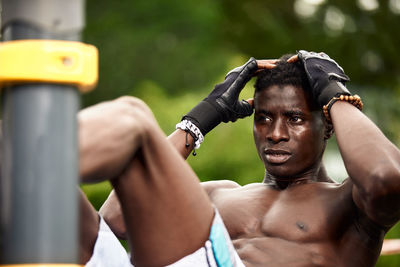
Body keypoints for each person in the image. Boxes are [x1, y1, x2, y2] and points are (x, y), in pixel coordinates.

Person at [98, 50, 400, 266]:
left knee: (132, 117)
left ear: (328, 125)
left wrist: (335, 95)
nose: (275, 133)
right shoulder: (215, 196)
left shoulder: (349, 204)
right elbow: (114, 222)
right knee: (79, 212)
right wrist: (203, 116)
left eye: (294, 119)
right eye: (263, 118)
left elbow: (387, 179)